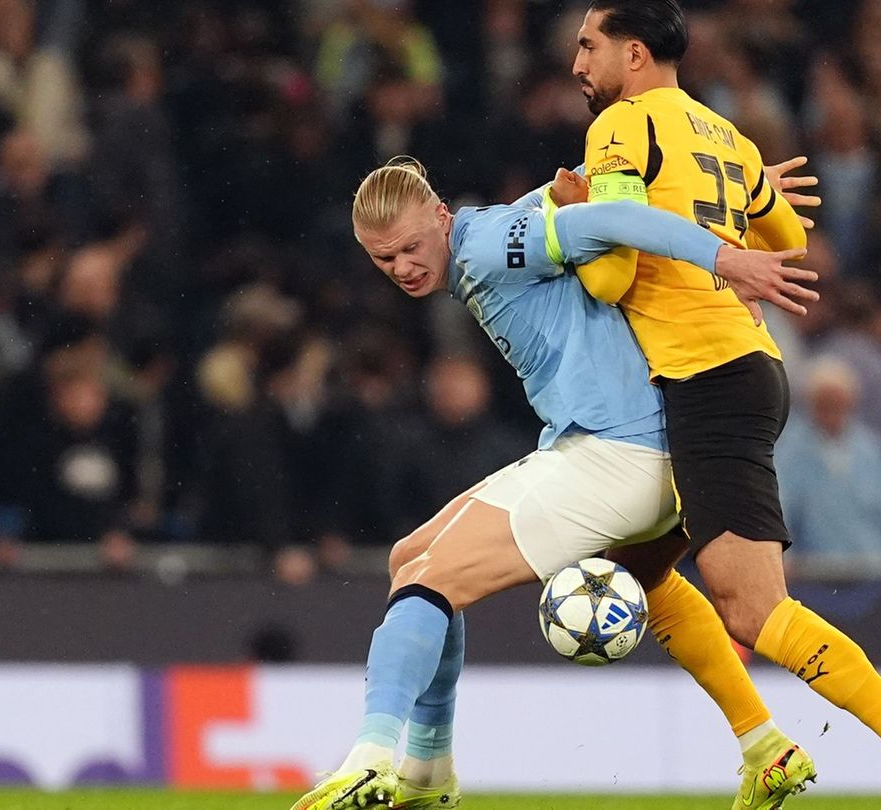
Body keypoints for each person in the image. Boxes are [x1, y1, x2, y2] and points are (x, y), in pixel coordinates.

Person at [292, 160, 818, 810]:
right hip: (622, 445)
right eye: (382, 259)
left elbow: (613, 216)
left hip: (617, 452)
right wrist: (734, 188)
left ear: (441, 217)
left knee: (430, 579)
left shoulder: (485, 247)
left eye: (409, 247)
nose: (401, 267)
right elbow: (577, 186)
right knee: (409, 560)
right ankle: (429, 774)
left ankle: (371, 756)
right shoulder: (487, 234)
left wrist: (726, 257)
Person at [569, 2, 881, 807]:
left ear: (636, 53)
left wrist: (579, 214)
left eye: (590, 46)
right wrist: (730, 236)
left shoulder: (618, 129)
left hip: (708, 379)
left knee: (755, 611)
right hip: (738, 369)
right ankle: (764, 748)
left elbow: (610, 279)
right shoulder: (728, 134)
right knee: (643, 570)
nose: (577, 64)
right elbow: (787, 232)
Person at [775, 357, 881, 565]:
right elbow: (781, 512)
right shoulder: (789, 450)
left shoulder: (872, 450)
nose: (832, 414)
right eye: (825, 405)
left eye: (838, 405)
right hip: (816, 573)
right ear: (811, 403)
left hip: (875, 569)